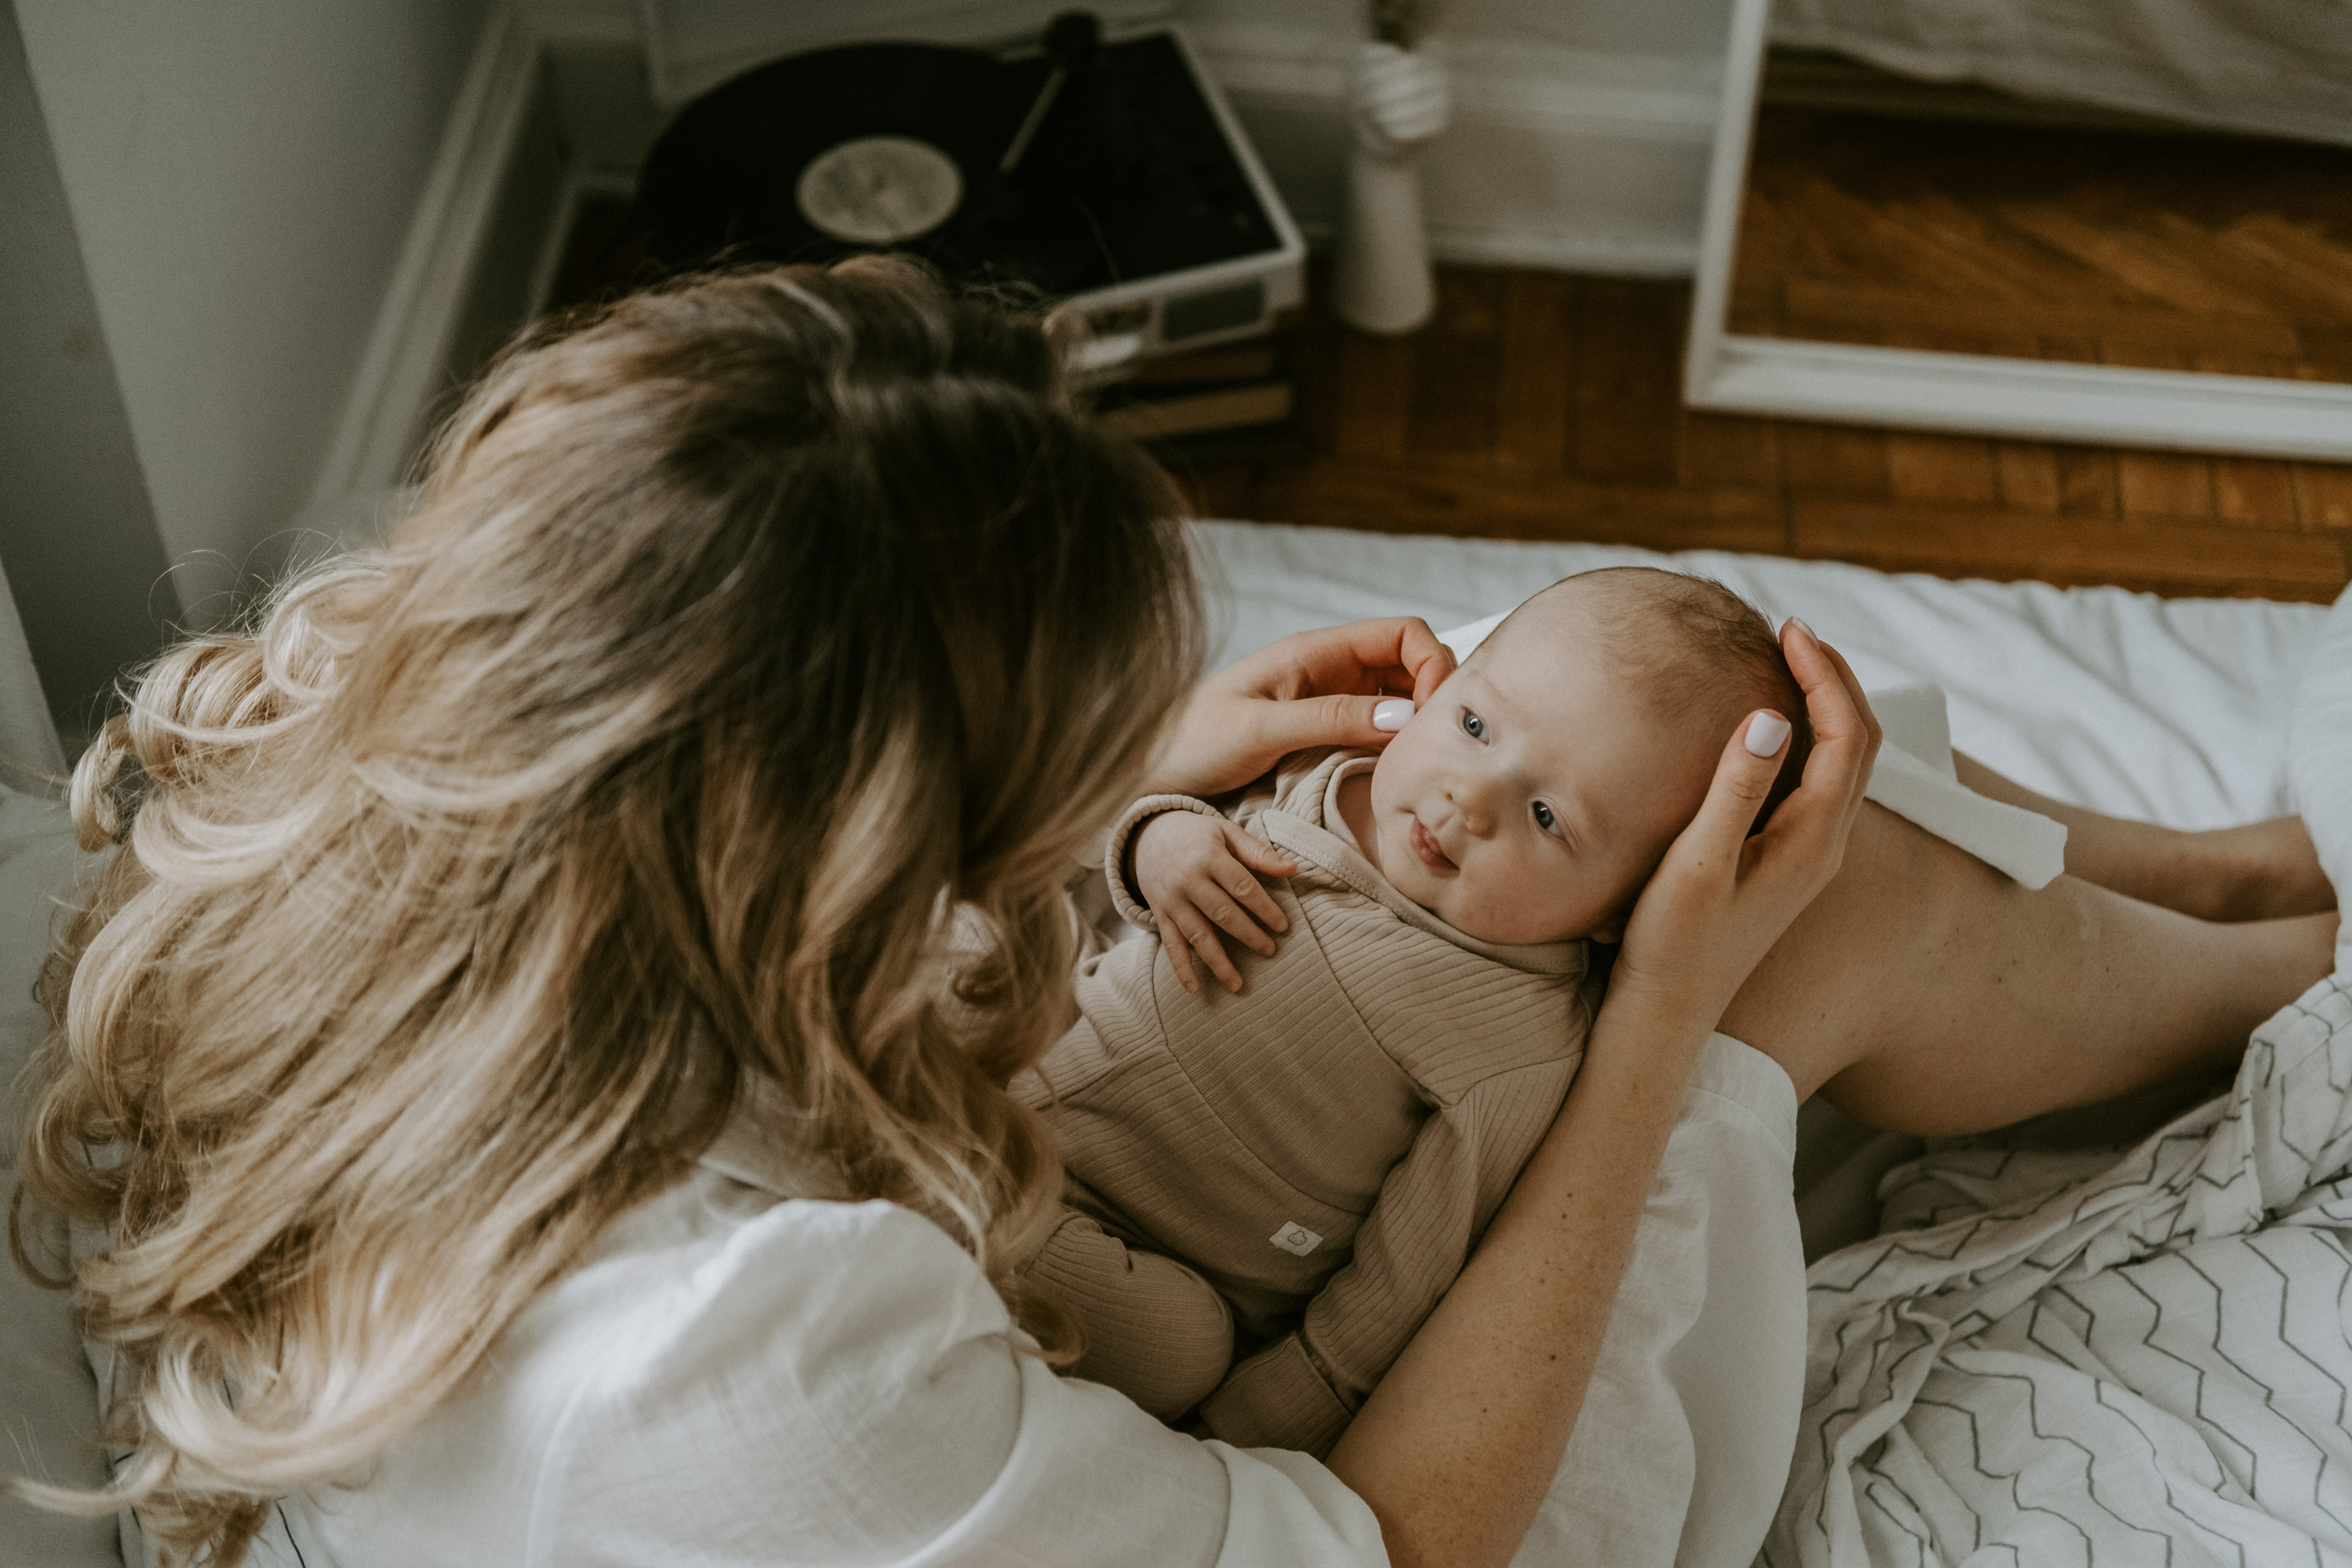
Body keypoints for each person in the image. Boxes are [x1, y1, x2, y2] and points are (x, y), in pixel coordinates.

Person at [0, 254, 2299, 1568]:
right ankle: (2284, 981)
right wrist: (1658, 1023)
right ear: (852, 845)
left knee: (1676, 720)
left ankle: (2214, 877)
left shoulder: (333, 816)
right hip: (1374, 1480)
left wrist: (1123, 769)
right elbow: (1388, 1545)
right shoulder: (764, 1359)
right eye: (1021, 797)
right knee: (1781, 885)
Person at [1014, 566, 2337, 1454]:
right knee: (1821, 873)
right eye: (1466, 731)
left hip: (1069, 1145)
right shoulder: (1351, 802)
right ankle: (2294, 980)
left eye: (1537, 814)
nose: (1463, 799)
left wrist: (1159, 829)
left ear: (1609, 921)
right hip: (1109, 1245)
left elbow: (1396, 1269)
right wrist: (1167, 844)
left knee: (1652, 685)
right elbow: (1162, 855)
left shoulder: (1492, 1024)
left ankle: (2214, 874)